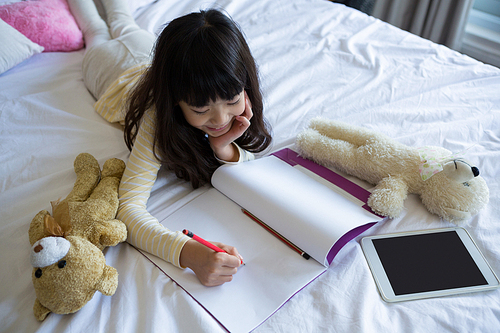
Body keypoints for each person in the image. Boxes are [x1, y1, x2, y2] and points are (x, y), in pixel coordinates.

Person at [67, 0, 272, 286]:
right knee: (95, 30)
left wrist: (222, 146)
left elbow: (245, 161)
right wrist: (187, 253)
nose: (221, 118)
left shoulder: (225, 81)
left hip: (143, 48)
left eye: (233, 100)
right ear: (174, 102)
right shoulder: (156, 118)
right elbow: (128, 208)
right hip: (107, 68)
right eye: (200, 110)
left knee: (122, 20)